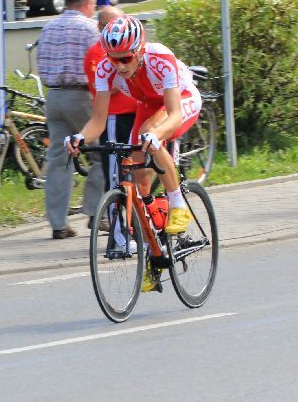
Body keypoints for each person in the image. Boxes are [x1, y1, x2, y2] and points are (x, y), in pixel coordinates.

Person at [67, 15, 201, 237]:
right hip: (149, 105)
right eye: (112, 59)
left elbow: (174, 114)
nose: (119, 66)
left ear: (139, 50)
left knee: (149, 135)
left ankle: (178, 204)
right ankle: (153, 233)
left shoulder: (160, 57)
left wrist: (156, 135)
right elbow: (98, 121)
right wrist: (79, 138)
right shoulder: (104, 69)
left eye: (126, 59)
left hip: (180, 99)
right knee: (138, 173)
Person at [36, 0, 106, 238]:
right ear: (87, 3)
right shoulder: (90, 28)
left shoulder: (48, 26)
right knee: (101, 154)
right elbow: (101, 62)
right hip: (81, 97)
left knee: (58, 159)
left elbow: (41, 62)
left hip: (53, 96)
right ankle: (97, 213)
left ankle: (58, 224)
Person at [85, 6, 138, 197]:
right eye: (110, 25)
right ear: (100, 27)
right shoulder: (96, 53)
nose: (116, 30)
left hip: (137, 114)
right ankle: (116, 222)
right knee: (115, 176)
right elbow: (100, 89)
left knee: (140, 169)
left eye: (121, 23)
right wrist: (127, 77)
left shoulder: (133, 47)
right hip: (115, 117)